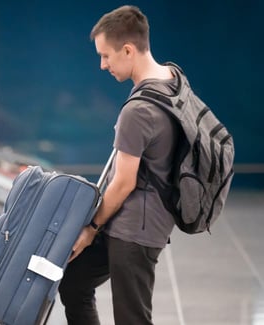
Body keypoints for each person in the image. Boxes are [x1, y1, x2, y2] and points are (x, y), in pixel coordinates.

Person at [58, 5, 183, 325]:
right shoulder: (174, 78)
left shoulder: (138, 110)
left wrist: (90, 229)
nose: (102, 65)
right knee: (74, 281)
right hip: (139, 218)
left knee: (132, 317)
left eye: (106, 56)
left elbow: (124, 182)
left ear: (128, 50)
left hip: (135, 230)